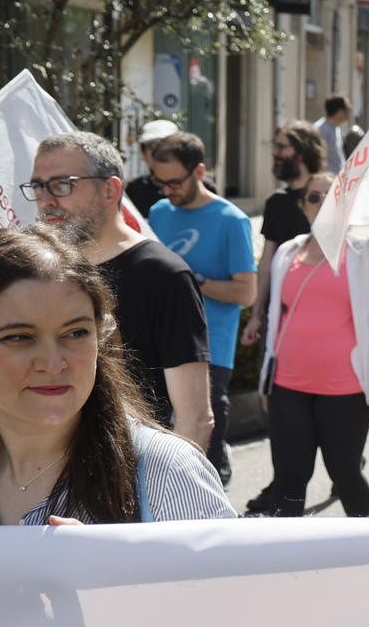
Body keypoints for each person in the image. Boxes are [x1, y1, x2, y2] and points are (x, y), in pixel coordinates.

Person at [0, 225, 232, 525]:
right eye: (18, 337)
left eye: (75, 333)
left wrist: (103, 579)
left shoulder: (167, 471)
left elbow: (227, 592)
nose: (53, 363)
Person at [29, 130, 211, 451]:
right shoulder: (44, 270)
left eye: (62, 184)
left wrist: (162, 496)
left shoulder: (163, 275)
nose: (46, 200)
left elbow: (194, 417)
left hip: (136, 475)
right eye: (38, 187)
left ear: (110, 190)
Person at [254, 173, 369, 517]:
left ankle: (364, 550)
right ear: (304, 206)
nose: (322, 205)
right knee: (289, 479)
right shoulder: (287, 252)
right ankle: (287, 560)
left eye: (332, 197)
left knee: (345, 473)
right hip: (288, 385)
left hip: (346, 390)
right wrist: (267, 377)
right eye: (313, 198)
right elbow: (278, 321)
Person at [145, 130, 255, 486]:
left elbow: (246, 292)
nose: (167, 191)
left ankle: (214, 499)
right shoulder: (158, 212)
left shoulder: (231, 219)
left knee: (205, 437)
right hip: (158, 341)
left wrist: (190, 282)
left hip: (211, 347)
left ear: (200, 172)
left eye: (174, 182)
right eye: (159, 182)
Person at [244, 121, 326, 350]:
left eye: (281, 147)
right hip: (279, 314)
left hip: (321, 310)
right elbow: (267, 261)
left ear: (302, 151)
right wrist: (256, 315)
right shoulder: (276, 202)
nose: (275, 153)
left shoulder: (330, 196)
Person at [317, 96, 352, 174]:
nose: (349, 114)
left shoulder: (336, 129)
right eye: (347, 110)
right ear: (340, 112)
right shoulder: (321, 130)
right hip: (327, 180)